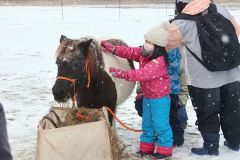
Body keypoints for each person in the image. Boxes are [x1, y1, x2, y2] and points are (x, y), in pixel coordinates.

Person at [166, 0, 240, 156]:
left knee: (208, 113)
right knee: (232, 109)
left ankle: (211, 147)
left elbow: (166, 44)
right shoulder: (221, 9)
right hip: (232, 72)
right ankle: (234, 142)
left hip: (203, 79)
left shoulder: (180, 22)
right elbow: (236, 31)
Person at [101, 22, 173, 159]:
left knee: (161, 125)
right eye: (145, 41)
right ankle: (146, 149)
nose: (145, 44)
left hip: (160, 99)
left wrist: (120, 73)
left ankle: (164, 150)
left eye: (149, 42)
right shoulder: (145, 53)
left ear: (158, 46)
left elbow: (140, 74)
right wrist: (113, 49)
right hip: (147, 96)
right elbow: (129, 52)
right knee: (147, 124)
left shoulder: (159, 61)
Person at [134, 48, 189, 147]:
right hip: (155, 97)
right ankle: (156, 127)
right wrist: (141, 91)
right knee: (144, 104)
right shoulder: (151, 61)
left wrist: (180, 101)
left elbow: (184, 88)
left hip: (172, 98)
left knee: (178, 138)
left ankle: (174, 127)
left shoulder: (179, 64)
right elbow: (142, 78)